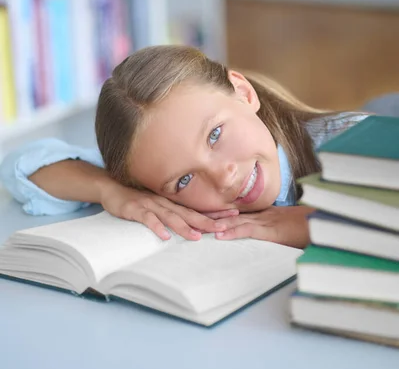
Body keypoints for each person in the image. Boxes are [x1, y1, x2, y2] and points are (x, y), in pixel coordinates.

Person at [0, 45, 367, 248]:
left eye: (215, 135)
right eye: (185, 180)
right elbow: (21, 166)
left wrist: (317, 224)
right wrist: (109, 190)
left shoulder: (351, 141)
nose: (223, 178)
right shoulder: (153, 164)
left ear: (243, 92)